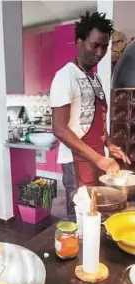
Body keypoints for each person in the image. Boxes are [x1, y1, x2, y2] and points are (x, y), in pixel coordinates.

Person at [50, 11, 130, 216]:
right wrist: (99, 159)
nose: (100, 52)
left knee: (97, 214)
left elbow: (97, 121)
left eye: (104, 46)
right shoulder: (65, 76)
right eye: (95, 45)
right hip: (76, 163)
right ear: (79, 41)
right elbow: (59, 128)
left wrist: (109, 144)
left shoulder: (95, 79)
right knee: (81, 219)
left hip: (95, 159)